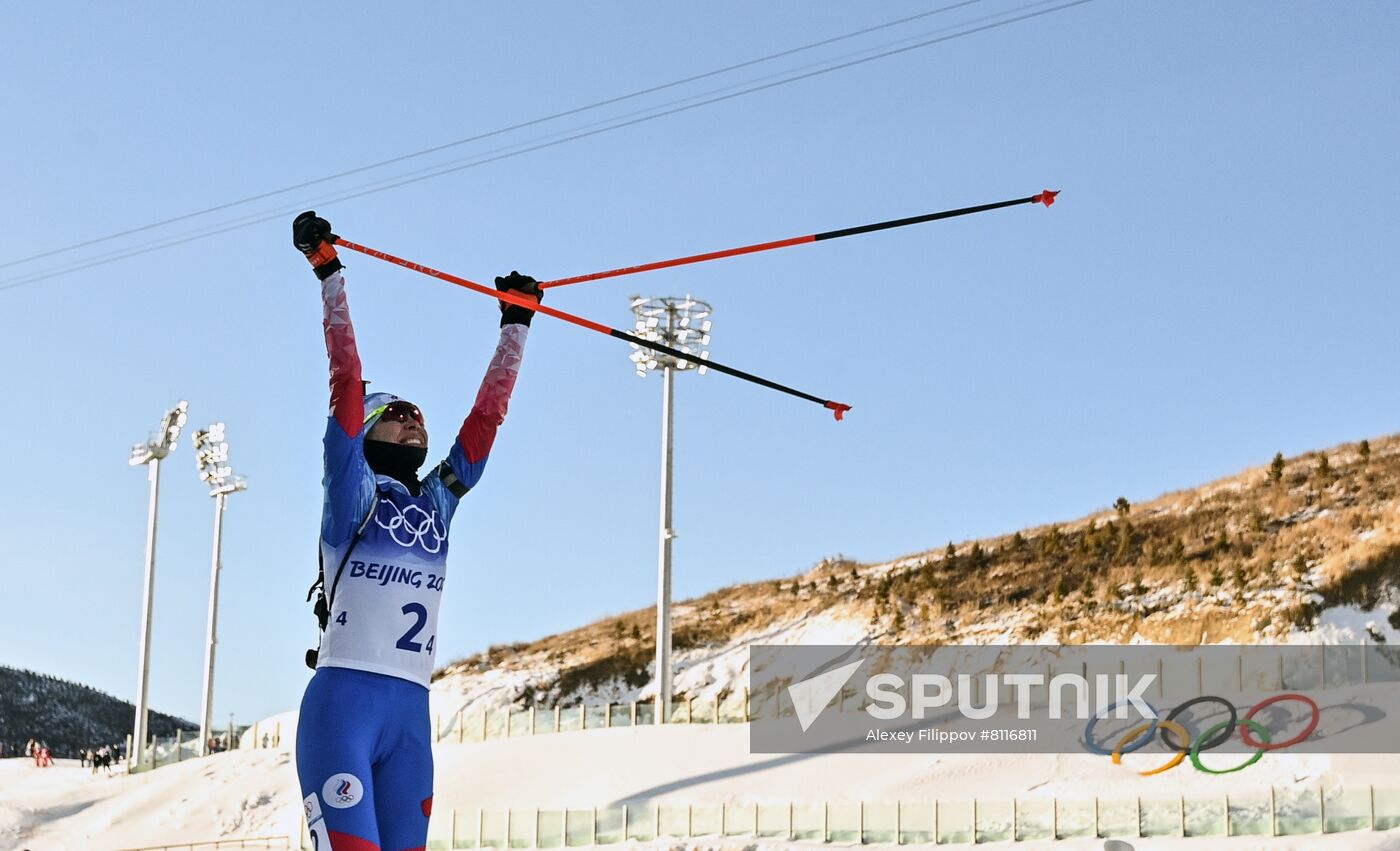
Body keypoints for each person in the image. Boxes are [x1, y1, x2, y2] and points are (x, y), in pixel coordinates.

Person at [290, 211, 539, 851]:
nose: (413, 423)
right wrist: (329, 273)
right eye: (396, 415)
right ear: (366, 431)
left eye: (419, 418)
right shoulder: (351, 491)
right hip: (342, 710)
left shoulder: (438, 501)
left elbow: (484, 422)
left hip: (409, 716)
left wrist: (515, 326)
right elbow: (347, 382)